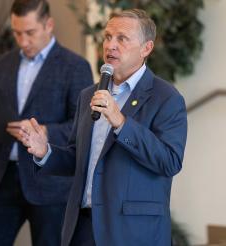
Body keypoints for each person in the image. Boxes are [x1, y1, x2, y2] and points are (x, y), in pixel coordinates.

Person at [20, 9, 188, 246]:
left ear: (146, 48)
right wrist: (45, 152)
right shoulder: (89, 94)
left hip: (131, 232)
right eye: (108, 37)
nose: (111, 45)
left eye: (122, 38)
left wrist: (121, 122)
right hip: (83, 227)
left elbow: (169, 161)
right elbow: (78, 159)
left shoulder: (166, 98)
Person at [0, 0, 93, 245]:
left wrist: (44, 132)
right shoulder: (2, 64)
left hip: (50, 182)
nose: (23, 41)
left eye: (30, 33)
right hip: (1, 179)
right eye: (16, 33)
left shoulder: (76, 67)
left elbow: (82, 127)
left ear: (49, 25)